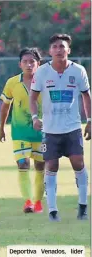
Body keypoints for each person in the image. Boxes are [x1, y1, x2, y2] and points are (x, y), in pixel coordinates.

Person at [30, 33, 91, 222]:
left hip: (72, 128)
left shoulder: (78, 70)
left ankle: (83, 207)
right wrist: (34, 117)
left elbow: (86, 96)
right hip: (50, 130)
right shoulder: (41, 72)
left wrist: (89, 120)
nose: (58, 50)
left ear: (68, 50)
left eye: (62, 47)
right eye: (55, 47)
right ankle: (53, 211)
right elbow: (32, 97)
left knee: (78, 163)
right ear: (50, 51)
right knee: (51, 166)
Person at [0, 48, 44, 213]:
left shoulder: (46, 81)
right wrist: (1, 128)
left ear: (38, 64)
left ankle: (38, 201)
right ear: (20, 64)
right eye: (25, 61)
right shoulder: (12, 82)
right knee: (23, 164)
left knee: (40, 166)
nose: (29, 65)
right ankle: (28, 202)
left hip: (42, 133)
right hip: (20, 132)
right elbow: (5, 106)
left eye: (32, 61)